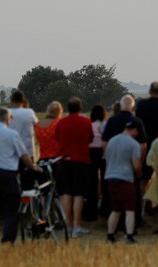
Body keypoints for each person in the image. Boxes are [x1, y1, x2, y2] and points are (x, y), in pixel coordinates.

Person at [0, 106, 42, 246]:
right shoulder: (12, 134)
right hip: (7, 175)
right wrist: (32, 167)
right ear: (8, 119)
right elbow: (23, 155)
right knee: (11, 210)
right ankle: (7, 241)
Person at [102, 95, 147, 223]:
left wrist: (109, 160)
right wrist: (139, 162)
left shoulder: (112, 120)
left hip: (113, 164)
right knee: (132, 196)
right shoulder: (137, 122)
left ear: (120, 105)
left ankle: (113, 220)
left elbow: (104, 144)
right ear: (132, 107)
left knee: (114, 197)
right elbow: (143, 146)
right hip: (131, 164)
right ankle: (134, 221)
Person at [55, 96, 93, 238]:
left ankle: (68, 224)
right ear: (80, 108)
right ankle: (77, 225)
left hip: (64, 161)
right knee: (78, 194)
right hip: (81, 161)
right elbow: (90, 138)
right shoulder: (85, 122)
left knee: (66, 193)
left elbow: (57, 138)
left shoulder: (61, 123)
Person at [104, 118, 143, 244]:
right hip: (125, 178)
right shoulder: (134, 144)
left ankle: (110, 235)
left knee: (115, 209)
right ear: (135, 130)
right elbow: (136, 165)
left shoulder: (111, 141)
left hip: (111, 177)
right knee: (130, 209)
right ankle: (129, 235)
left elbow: (107, 158)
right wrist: (138, 174)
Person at [8, 91, 39, 189]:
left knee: (11, 184)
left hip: (11, 153)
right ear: (23, 101)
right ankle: (27, 203)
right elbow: (36, 125)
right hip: (28, 152)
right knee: (28, 184)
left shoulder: (7, 113)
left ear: (11, 100)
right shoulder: (29, 112)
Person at [86, 104, 108, 221]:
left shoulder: (90, 125)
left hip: (91, 152)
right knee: (105, 182)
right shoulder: (105, 125)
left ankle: (91, 211)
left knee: (92, 183)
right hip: (103, 152)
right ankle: (105, 209)